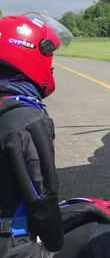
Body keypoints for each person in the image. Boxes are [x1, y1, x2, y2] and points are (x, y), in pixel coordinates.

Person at [0, 14, 71, 258]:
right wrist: (54, 244)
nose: (50, 65)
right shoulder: (27, 120)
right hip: (10, 242)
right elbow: (42, 197)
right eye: (48, 56)